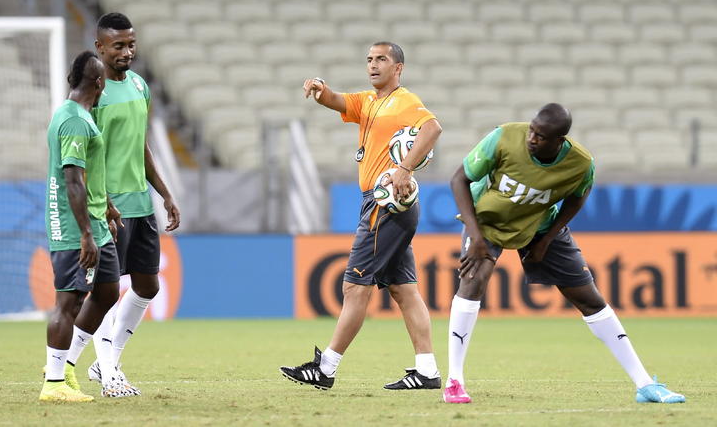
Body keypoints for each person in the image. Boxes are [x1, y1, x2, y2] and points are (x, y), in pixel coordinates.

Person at [443, 103, 686, 404]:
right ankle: (454, 381)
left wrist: (547, 239)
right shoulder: (504, 137)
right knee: (473, 282)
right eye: (532, 131)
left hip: (541, 225)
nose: (532, 139)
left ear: (559, 141)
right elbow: (459, 179)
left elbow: (577, 198)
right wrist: (475, 235)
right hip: (487, 221)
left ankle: (645, 385)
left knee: (589, 298)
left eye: (541, 136)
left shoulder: (580, 163)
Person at [280, 42, 443, 390]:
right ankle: (427, 371)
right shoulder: (368, 101)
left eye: (381, 59)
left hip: (385, 205)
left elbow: (432, 129)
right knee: (404, 290)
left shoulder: (405, 101)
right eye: (369, 59)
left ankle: (326, 368)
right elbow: (336, 100)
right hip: (383, 204)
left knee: (354, 287)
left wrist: (404, 168)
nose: (373, 65)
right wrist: (320, 87)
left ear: (398, 68)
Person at [87, 12, 180, 393]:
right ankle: (110, 374)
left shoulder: (140, 86)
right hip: (108, 206)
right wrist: (102, 201)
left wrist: (165, 193)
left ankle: (105, 362)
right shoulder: (92, 93)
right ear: (100, 48)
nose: (127, 52)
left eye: (131, 44)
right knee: (105, 292)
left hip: (141, 203)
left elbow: (140, 146)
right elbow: (86, 155)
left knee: (147, 286)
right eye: (118, 46)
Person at [40, 51, 127, 401]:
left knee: (107, 292)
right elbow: (73, 180)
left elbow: (89, 175)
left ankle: (65, 367)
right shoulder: (74, 121)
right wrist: (86, 235)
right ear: (99, 83)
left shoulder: (80, 116)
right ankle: (54, 382)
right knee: (69, 302)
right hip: (74, 227)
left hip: (95, 220)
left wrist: (107, 207)